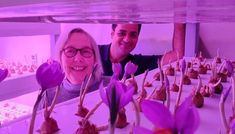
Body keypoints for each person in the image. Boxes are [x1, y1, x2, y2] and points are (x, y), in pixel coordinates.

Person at [40, 28, 103, 107]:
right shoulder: (48, 96)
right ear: (60, 58)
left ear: (95, 59)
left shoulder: (112, 87)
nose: (78, 59)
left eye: (86, 51)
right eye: (70, 51)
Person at [99, 23, 185, 76]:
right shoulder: (94, 52)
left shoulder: (137, 64)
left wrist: (179, 23)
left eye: (133, 35)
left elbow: (178, 54)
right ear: (112, 34)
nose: (127, 39)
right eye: (122, 33)